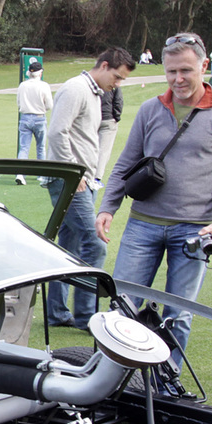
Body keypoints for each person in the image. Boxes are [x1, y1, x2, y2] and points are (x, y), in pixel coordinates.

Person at [97, 33, 212, 370]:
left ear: (204, 67)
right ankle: (109, 380)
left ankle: (168, 385)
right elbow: (125, 163)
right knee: (122, 308)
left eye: (186, 71)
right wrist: (108, 207)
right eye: (171, 72)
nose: (178, 79)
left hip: (194, 232)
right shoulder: (151, 109)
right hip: (142, 226)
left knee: (178, 315)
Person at [45, 47, 135, 330]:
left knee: (68, 249)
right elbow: (57, 132)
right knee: (94, 244)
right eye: (117, 77)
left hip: (84, 179)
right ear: (104, 65)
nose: (117, 84)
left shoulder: (95, 93)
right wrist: (73, 171)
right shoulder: (75, 89)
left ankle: (57, 314)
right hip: (69, 180)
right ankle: (86, 317)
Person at [14, 65, 52, 182]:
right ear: (40, 73)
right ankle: (41, 174)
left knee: (24, 148)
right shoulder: (44, 85)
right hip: (39, 118)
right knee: (41, 147)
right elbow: (50, 105)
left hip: (25, 118)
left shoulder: (22, 85)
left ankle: (20, 174)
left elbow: (19, 103)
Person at [96, 81, 124, 182]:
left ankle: (88, 174)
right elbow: (118, 101)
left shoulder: (94, 81)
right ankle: (96, 177)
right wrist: (116, 117)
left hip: (94, 119)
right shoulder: (114, 83)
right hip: (108, 119)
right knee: (103, 151)